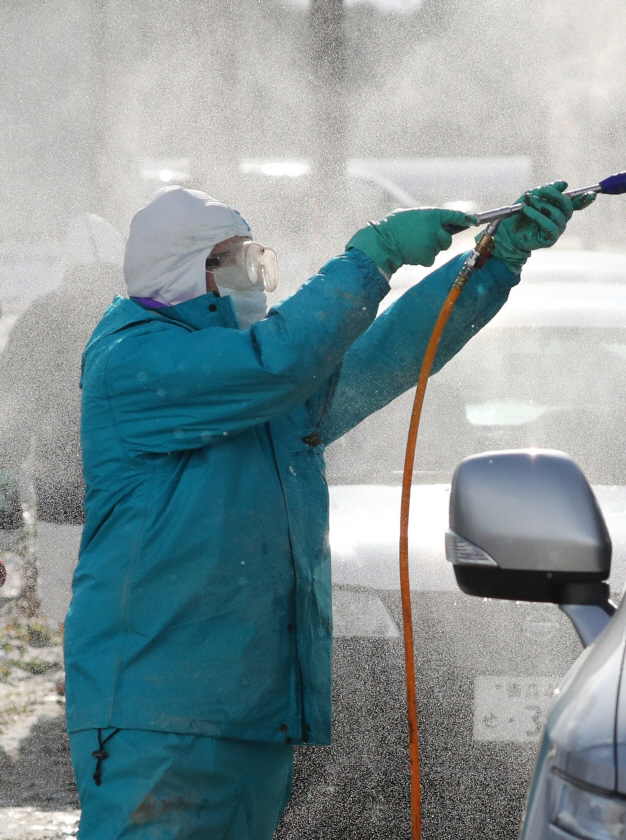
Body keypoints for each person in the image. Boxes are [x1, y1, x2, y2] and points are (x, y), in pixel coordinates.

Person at [63, 181, 591, 840]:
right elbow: (282, 359)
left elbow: (381, 359)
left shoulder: (254, 378)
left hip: (249, 712)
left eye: (259, 260)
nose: (256, 279)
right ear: (184, 271)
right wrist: (371, 260)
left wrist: (490, 263)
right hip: (155, 714)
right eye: (237, 262)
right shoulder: (135, 357)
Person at [0, 213, 126, 619]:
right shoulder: (140, 314)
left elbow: (11, 418)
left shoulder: (42, 317)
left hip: (62, 494)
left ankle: (82, 679)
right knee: (133, 611)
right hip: (139, 493)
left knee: (71, 606)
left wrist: (5, 516)